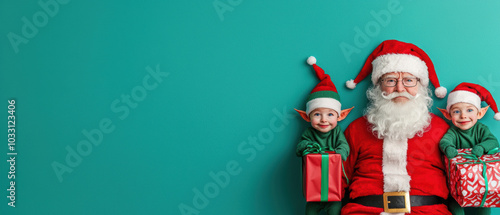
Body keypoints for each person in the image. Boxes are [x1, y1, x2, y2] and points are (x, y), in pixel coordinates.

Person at [342, 40, 451, 214]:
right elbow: (338, 178)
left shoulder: (440, 128)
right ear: (378, 85)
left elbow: (457, 176)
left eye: (409, 80)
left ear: (421, 85)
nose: (400, 88)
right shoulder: (356, 129)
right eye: (391, 80)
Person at [295, 56, 353, 215]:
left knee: (335, 209)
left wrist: (339, 154)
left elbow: (344, 146)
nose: (323, 120)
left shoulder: (336, 131)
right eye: (317, 115)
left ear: (340, 116)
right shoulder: (309, 132)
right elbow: (299, 148)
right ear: (307, 117)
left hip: (333, 188)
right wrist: (307, 148)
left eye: (329, 114)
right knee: (311, 210)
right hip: (313, 189)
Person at [438, 82, 500, 215]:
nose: (463, 116)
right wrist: (448, 148)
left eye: (469, 110)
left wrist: (482, 147)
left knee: (484, 201)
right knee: (454, 201)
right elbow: (444, 141)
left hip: (481, 179)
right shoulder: (453, 132)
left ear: (480, 113)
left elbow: (493, 141)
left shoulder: (481, 129)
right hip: (457, 180)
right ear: (448, 115)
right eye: (456, 111)